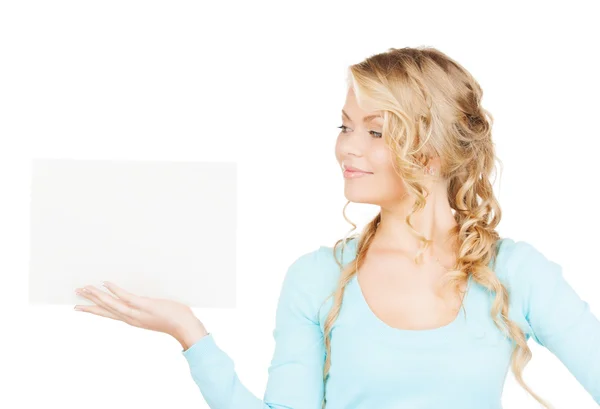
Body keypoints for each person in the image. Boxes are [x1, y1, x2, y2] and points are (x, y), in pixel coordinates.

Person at [73, 46, 600, 409]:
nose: (347, 146)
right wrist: (188, 331)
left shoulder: (516, 273)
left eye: (376, 131)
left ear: (434, 152)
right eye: (345, 125)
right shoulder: (317, 278)